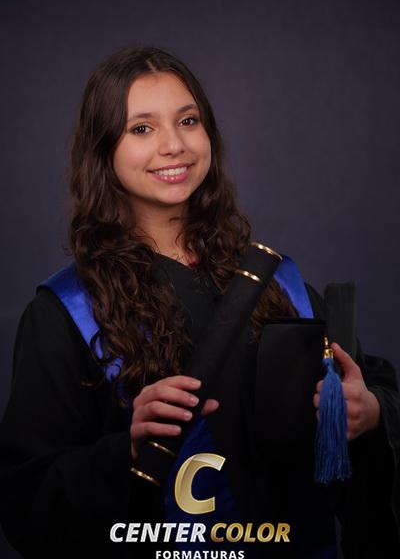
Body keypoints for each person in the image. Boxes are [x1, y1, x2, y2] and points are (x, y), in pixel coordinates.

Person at [0, 47, 399, 559]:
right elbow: (26, 496)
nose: (174, 145)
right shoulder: (69, 311)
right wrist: (126, 451)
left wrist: (369, 413)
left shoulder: (276, 280)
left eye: (188, 121)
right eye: (141, 128)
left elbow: (368, 386)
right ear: (103, 149)